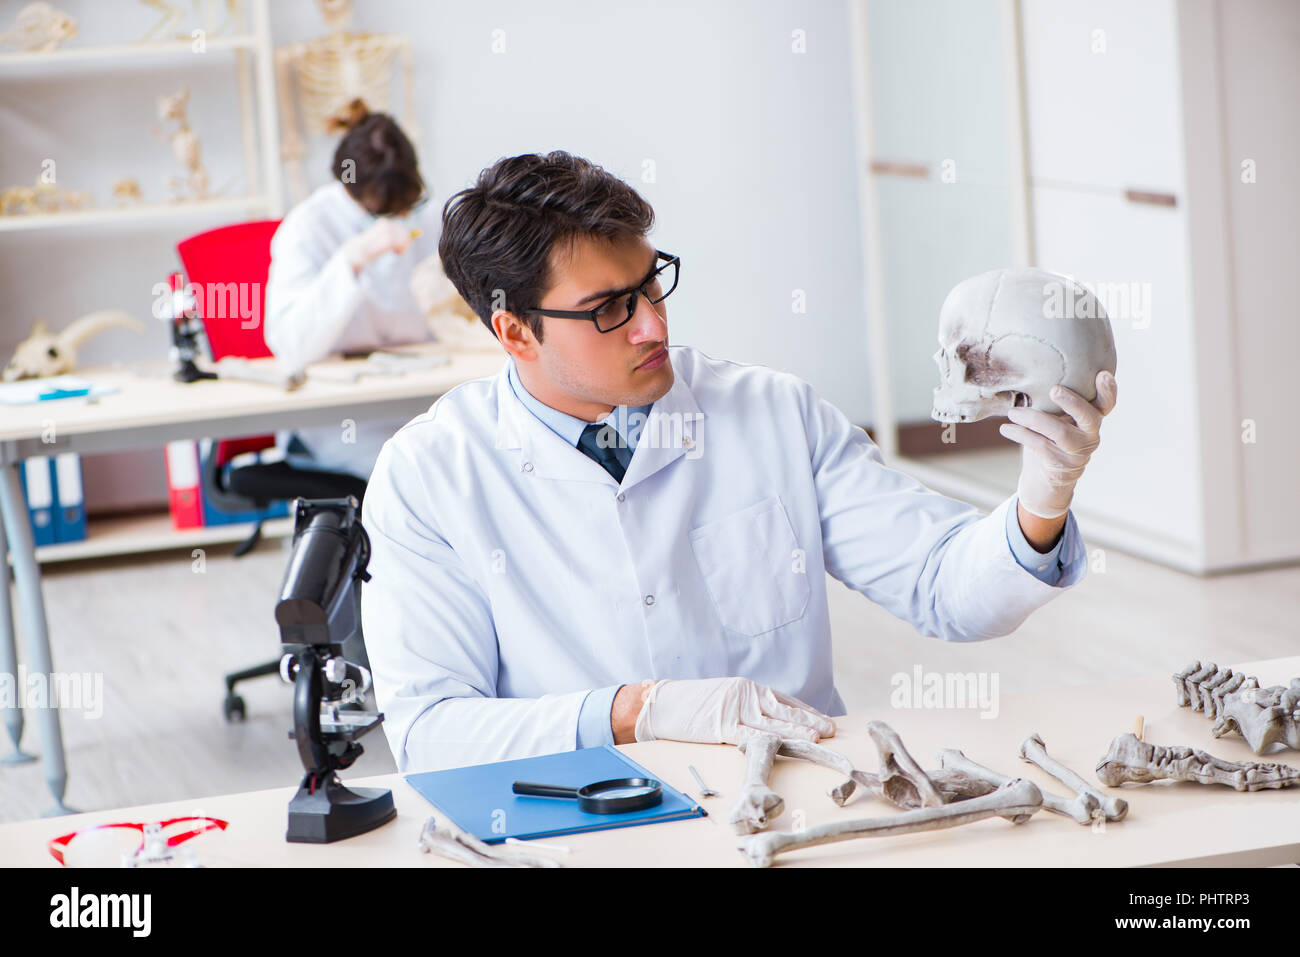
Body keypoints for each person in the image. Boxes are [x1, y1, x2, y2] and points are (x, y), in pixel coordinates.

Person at [360, 151, 1119, 773]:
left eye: (651, 282)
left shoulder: (770, 412)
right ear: (516, 333)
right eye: (608, 309)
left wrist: (1041, 499)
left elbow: (944, 588)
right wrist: (631, 712)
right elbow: (432, 733)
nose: (651, 323)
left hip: (797, 800)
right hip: (582, 822)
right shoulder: (430, 476)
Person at [263, 98, 446, 482]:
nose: (402, 221)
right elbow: (290, 346)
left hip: (420, 398)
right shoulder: (307, 227)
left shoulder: (427, 217)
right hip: (343, 419)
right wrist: (352, 260)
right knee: (418, 477)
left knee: (470, 463)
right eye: (385, 213)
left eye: (409, 207)